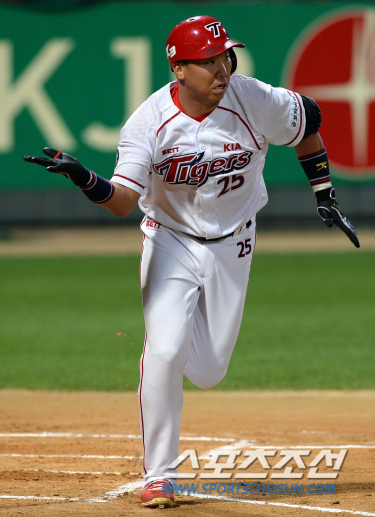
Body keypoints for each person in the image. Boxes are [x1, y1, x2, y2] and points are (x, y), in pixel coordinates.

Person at [24, 15, 359, 508]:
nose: (222, 69)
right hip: (170, 240)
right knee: (164, 350)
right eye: (208, 61)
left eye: (226, 57)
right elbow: (122, 202)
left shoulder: (253, 98)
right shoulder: (149, 122)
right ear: (179, 69)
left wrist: (323, 192)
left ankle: (174, 356)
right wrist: (85, 178)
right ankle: (159, 475)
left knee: (208, 370)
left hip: (234, 243)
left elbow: (307, 125)